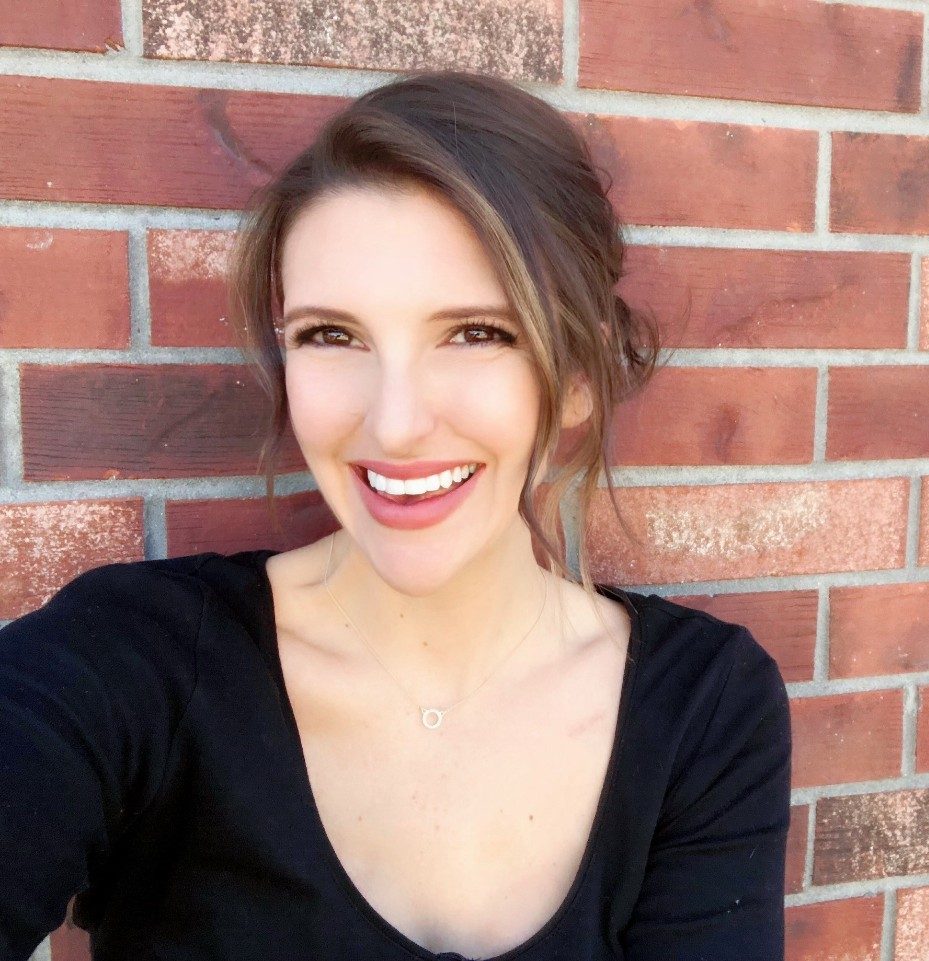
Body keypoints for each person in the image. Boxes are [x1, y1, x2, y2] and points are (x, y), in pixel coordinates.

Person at [0, 70, 792, 961]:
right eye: (330, 335)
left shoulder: (706, 710)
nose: (395, 421)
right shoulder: (129, 662)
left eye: (476, 332)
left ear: (575, 378)